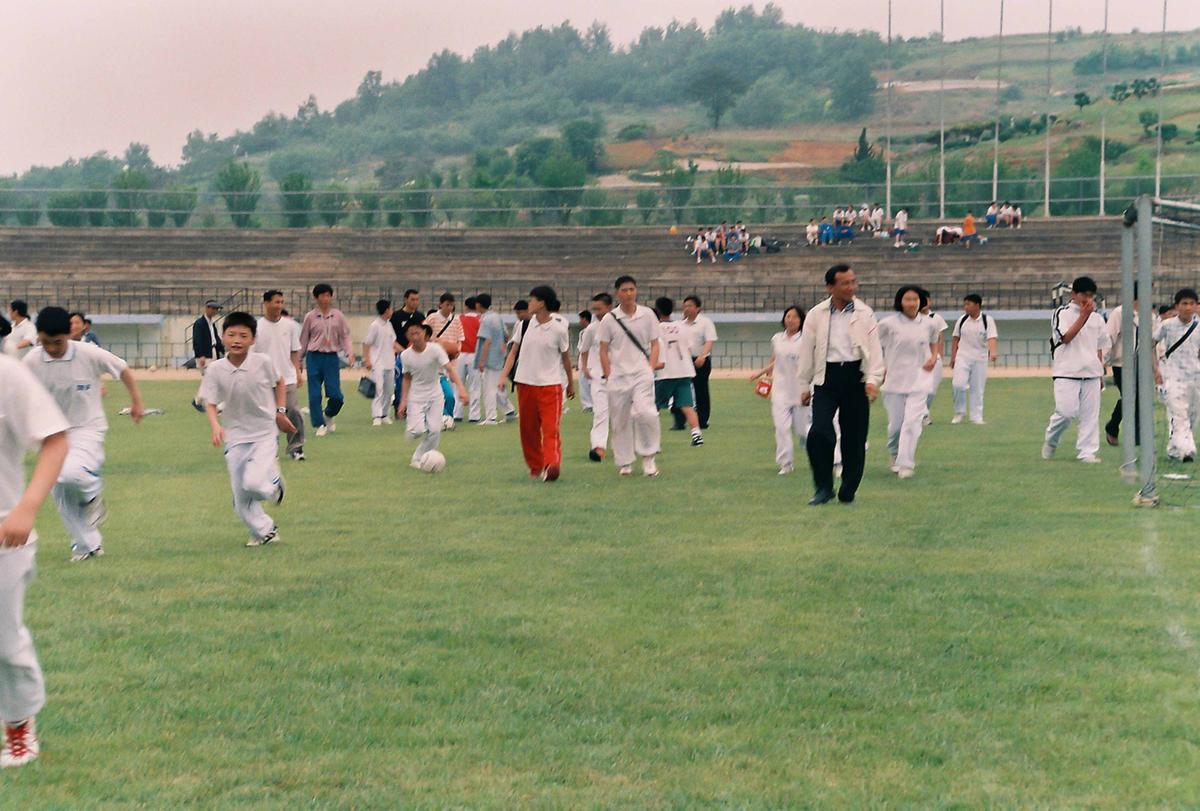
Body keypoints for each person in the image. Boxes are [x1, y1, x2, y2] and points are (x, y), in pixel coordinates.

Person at [23, 306, 145, 561]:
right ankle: (87, 546)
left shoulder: (88, 353)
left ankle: (93, 495)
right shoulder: (33, 360)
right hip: (50, 433)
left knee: (69, 475)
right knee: (61, 491)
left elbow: (122, 369)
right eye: (46, 342)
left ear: (69, 334)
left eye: (57, 342)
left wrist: (136, 402)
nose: (52, 348)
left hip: (87, 427)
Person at [0, 352, 69, 768]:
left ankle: (19, 725)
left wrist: (26, 508)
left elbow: (55, 439)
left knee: (4, 644)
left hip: (5, 531)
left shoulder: (6, 374)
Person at [199, 311, 296, 547]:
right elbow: (210, 402)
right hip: (235, 437)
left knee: (253, 484)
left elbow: (280, 382)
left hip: (263, 433)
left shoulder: (263, 362)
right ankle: (265, 532)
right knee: (241, 498)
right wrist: (215, 426)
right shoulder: (215, 369)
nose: (237, 340)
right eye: (231, 334)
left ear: (253, 339)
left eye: (243, 335)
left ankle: (275, 484)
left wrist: (280, 412)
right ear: (222, 337)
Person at [795, 264, 885, 505]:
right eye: (845, 283)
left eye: (853, 282)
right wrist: (804, 386)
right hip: (826, 379)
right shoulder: (816, 314)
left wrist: (873, 380)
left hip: (856, 378)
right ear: (830, 287)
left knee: (854, 438)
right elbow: (806, 351)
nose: (851, 287)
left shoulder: (865, 313)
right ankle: (823, 487)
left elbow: (875, 351)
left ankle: (848, 488)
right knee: (819, 433)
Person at [500, 286, 575, 481]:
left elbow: (566, 358)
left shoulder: (559, 328)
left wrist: (571, 384)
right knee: (528, 431)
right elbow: (513, 353)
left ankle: (552, 465)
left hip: (550, 386)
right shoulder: (524, 325)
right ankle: (536, 468)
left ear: (541, 303)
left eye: (532, 299)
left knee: (551, 429)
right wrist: (503, 376)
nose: (529, 303)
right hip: (525, 384)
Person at [1042, 277, 1111, 464]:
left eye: (1091, 296)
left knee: (1090, 416)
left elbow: (1099, 346)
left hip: (1091, 373)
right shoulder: (1062, 313)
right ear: (1074, 294)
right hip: (1067, 371)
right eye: (1084, 295)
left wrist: (1101, 370)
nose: (1087, 299)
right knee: (1066, 412)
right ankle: (1051, 439)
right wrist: (1083, 316)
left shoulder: (1097, 318)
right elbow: (1065, 338)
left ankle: (1087, 452)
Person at [598, 275, 662, 477]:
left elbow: (655, 343)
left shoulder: (648, 315)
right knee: (620, 420)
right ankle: (625, 462)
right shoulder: (609, 319)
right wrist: (608, 374)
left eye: (632, 289)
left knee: (647, 413)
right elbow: (603, 349)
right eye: (624, 290)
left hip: (641, 373)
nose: (628, 294)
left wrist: (650, 367)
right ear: (617, 293)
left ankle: (649, 457)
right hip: (618, 376)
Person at [878, 287, 940, 479]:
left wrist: (934, 356)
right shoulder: (888, 324)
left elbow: (933, 341)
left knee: (912, 423)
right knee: (896, 425)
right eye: (908, 299)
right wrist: (880, 368)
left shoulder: (929, 324)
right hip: (894, 381)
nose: (912, 303)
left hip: (919, 380)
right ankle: (895, 453)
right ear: (900, 301)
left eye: (915, 299)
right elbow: (874, 345)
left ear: (921, 302)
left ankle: (906, 463)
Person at [398, 323, 467, 469]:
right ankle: (411, 432)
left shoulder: (435, 350)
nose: (415, 336)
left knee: (435, 431)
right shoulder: (405, 355)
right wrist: (403, 401)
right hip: (416, 397)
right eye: (411, 334)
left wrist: (461, 388)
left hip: (435, 395)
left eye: (418, 332)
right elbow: (406, 378)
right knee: (417, 431)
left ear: (424, 333)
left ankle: (418, 458)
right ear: (407, 336)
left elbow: (450, 369)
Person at [750, 306, 809, 475]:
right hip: (780, 390)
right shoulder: (777, 338)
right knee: (781, 428)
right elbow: (775, 360)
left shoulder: (806, 339)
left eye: (795, 317)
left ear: (801, 320)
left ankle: (814, 451)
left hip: (800, 390)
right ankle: (785, 463)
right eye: (788, 316)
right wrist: (762, 374)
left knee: (803, 431)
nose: (791, 320)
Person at [255, 290, 306, 461]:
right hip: (264, 380)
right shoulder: (256, 327)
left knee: (292, 411)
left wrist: (297, 371)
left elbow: (294, 351)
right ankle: (270, 450)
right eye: (276, 302)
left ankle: (296, 447)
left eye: (281, 302)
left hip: (287, 377)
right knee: (268, 416)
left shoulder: (290, 326)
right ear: (266, 303)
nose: (279, 306)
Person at [299, 283, 354, 438]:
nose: (325, 298)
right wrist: (299, 360)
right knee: (315, 394)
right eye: (322, 295)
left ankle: (328, 414)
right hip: (314, 356)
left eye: (328, 295)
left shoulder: (337, 316)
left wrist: (349, 353)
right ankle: (319, 424)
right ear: (316, 298)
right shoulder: (310, 317)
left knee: (336, 395)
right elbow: (304, 339)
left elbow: (345, 336)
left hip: (331, 357)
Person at [1153, 289, 1200, 462]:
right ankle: (1187, 450)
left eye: (1191, 304)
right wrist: (1156, 370)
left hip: (1195, 377)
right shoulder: (1167, 325)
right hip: (1172, 376)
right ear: (1177, 306)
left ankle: (1174, 449)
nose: (1188, 307)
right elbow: (1152, 343)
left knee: (1193, 415)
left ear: (1196, 306)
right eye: (1184, 303)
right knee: (1178, 413)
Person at [653, 297, 704, 447]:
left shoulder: (656, 328)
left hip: (665, 373)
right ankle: (697, 435)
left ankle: (652, 439)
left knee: (653, 407)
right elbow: (688, 348)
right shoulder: (682, 326)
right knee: (687, 405)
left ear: (657, 310)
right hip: (684, 371)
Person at [1104, 284, 1148, 446]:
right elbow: (1109, 337)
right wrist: (1103, 361)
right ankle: (1134, 436)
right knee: (1131, 398)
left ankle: (1114, 427)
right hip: (1122, 364)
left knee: (1137, 399)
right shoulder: (1119, 313)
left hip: (1142, 365)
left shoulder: (1148, 314)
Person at [950, 294, 998, 425]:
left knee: (977, 388)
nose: (965, 307)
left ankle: (976, 416)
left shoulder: (987, 320)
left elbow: (992, 338)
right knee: (958, 384)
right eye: (964, 304)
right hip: (963, 356)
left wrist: (993, 352)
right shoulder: (962, 320)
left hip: (980, 358)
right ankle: (959, 412)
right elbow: (955, 338)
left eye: (968, 304)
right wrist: (953, 356)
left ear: (977, 305)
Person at [579, 293, 613, 461]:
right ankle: (598, 448)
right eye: (594, 309)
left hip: (621, 377)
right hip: (598, 377)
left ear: (610, 307)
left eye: (599, 309)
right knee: (600, 413)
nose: (596, 312)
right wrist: (585, 367)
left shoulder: (620, 325)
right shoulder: (592, 328)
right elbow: (584, 349)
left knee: (626, 415)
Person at [675, 295, 717, 431]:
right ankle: (679, 422)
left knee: (701, 391)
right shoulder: (679, 324)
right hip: (683, 361)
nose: (687, 308)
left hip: (700, 360)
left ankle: (702, 421)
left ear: (698, 308)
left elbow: (709, 340)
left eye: (690, 306)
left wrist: (702, 356)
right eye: (685, 306)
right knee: (680, 390)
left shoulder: (705, 322)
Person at [425, 293, 464, 420]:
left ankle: (449, 418)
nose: (450, 308)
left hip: (451, 361)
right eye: (447, 304)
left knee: (450, 394)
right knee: (436, 393)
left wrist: (457, 350)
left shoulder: (456, 320)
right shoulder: (432, 318)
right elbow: (425, 335)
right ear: (440, 304)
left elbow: (460, 339)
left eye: (452, 305)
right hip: (435, 361)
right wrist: (439, 344)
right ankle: (440, 417)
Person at [474, 294, 511, 425]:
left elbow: (487, 341)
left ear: (478, 305)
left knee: (489, 389)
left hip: (490, 358)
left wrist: (482, 361)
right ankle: (509, 411)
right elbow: (506, 336)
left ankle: (491, 417)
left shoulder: (486, 319)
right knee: (497, 386)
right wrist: (502, 347)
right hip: (499, 356)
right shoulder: (497, 317)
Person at [363, 299, 400, 427]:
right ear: (386, 310)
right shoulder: (375, 325)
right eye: (390, 308)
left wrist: (405, 351)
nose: (392, 311)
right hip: (377, 363)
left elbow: (393, 342)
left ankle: (385, 414)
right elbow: (366, 343)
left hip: (390, 362)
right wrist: (367, 359)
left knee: (389, 391)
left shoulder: (389, 325)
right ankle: (376, 416)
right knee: (378, 390)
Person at [389, 289, 424, 418]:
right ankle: (399, 408)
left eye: (417, 299)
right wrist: (403, 352)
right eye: (412, 299)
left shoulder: (420, 317)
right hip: (400, 354)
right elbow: (391, 338)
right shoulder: (397, 316)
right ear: (405, 300)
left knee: (417, 382)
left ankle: (416, 409)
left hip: (417, 354)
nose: (415, 302)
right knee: (401, 382)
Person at [919, 290, 949, 424]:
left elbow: (940, 337)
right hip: (918, 359)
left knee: (931, 391)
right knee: (920, 388)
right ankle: (923, 415)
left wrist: (938, 355)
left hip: (934, 358)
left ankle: (924, 412)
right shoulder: (913, 318)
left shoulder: (936, 318)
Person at [190, 299, 223, 411]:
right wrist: (201, 355)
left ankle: (203, 401)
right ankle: (198, 401)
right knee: (209, 378)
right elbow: (197, 340)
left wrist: (223, 350)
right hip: (205, 355)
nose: (215, 311)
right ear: (207, 308)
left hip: (213, 353)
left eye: (216, 309)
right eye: (213, 308)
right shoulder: (199, 323)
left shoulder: (211, 324)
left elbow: (215, 339)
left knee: (212, 378)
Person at [458, 296, 482, 422]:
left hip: (460, 354)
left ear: (466, 306)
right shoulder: (480, 320)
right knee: (475, 386)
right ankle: (474, 415)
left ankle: (457, 413)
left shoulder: (459, 319)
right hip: (475, 355)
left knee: (458, 384)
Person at [576, 310, 594, 411]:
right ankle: (588, 405)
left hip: (589, 362)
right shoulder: (582, 332)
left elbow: (583, 350)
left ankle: (589, 405)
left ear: (584, 319)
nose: (579, 321)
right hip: (585, 362)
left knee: (587, 385)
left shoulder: (589, 331)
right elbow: (580, 349)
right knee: (584, 385)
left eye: (580, 319)